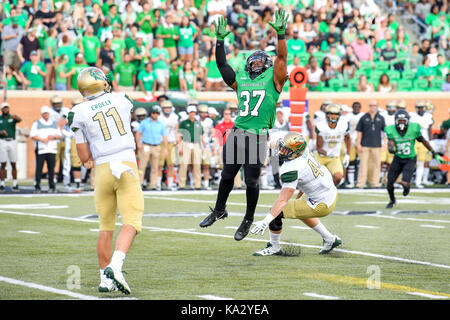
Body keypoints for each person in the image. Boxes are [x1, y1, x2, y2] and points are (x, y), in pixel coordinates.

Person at [199, 10, 289, 241]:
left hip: (258, 135)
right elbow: (221, 64)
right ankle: (219, 209)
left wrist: (281, 35)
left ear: (267, 64)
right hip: (237, 132)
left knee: (251, 181)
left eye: (260, 61)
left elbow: (282, 59)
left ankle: (248, 218)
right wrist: (220, 41)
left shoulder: (274, 78)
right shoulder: (242, 79)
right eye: (253, 61)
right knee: (227, 175)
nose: (256, 64)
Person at [68, 67, 144, 294]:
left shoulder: (77, 111)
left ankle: (105, 279)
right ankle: (116, 267)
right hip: (125, 163)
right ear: (101, 82)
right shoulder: (121, 99)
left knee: (105, 227)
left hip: (101, 169)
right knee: (132, 221)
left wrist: (92, 158)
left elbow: (83, 157)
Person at [250, 132, 341, 255]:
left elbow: (283, 200)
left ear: (295, 152)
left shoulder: (292, 168)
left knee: (276, 212)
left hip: (321, 202)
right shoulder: (303, 149)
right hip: (326, 189)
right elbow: (276, 144)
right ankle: (330, 239)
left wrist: (266, 221)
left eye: (286, 150)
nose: (282, 151)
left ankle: (274, 247)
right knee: (299, 210)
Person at [384, 110, 441, 208]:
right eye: (399, 121)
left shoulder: (413, 129)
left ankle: (407, 187)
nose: (401, 123)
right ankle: (392, 200)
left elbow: (423, 141)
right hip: (398, 158)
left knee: (404, 183)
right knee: (389, 183)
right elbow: (390, 144)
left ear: (407, 121)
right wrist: (391, 148)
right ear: (395, 121)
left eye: (403, 121)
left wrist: (433, 152)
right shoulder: (390, 130)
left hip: (410, 159)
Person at [315, 104, 350, 186]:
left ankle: (328, 191)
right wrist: (327, 153)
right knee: (310, 179)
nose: (333, 116)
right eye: (331, 114)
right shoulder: (321, 126)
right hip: (321, 157)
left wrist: (347, 155)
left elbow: (348, 138)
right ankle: (299, 198)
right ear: (327, 115)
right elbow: (319, 147)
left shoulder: (343, 125)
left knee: (338, 177)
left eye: (335, 114)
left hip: (334, 157)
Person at [30, 106, 62, 193]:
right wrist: (42, 139)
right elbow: (32, 135)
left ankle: (52, 186)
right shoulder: (37, 123)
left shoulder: (54, 123)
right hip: (41, 149)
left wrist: (53, 137)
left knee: (51, 169)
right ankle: (37, 186)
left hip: (52, 149)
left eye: (47, 113)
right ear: (42, 114)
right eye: (44, 113)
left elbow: (59, 135)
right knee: (39, 169)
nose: (46, 115)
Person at [135, 105, 168, 191]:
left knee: (155, 167)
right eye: (154, 113)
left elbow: (164, 136)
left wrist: (165, 148)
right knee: (142, 166)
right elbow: (138, 133)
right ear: (151, 113)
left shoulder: (161, 124)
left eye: (157, 113)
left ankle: (153, 185)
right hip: (146, 145)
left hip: (156, 146)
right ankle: (139, 184)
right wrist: (138, 143)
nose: (155, 115)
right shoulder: (145, 122)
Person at [356, 100, 386, 189]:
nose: (372, 107)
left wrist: (385, 143)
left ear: (377, 106)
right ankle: (360, 184)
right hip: (365, 145)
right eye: (371, 105)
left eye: (374, 105)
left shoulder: (381, 118)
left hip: (377, 145)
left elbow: (384, 131)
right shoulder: (363, 117)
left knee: (377, 165)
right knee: (363, 165)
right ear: (369, 106)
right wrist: (358, 144)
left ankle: (375, 183)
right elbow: (359, 132)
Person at [177, 104, 204, 190]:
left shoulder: (198, 123)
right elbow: (179, 135)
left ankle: (197, 185)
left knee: (197, 165)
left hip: (196, 144)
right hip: (186, 143)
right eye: (191, 112)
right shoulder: (184, 123)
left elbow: (201, 135)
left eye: (194, 112)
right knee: (184, 164)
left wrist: (203, 146)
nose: (192, 114)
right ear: (188, 113)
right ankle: (181, 184)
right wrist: (180, 147)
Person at [410, 100, 434, 188]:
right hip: (414, 140)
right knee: (411, 161)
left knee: (421, 162)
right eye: (419, 108)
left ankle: (418, 182)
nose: (421, 110)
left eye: (422, 108)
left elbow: (430, 130)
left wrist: (431, 142)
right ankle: (407, 181)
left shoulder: (428, 116)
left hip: (424, 141)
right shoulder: (412, 116)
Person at [0, 102, 22, 191]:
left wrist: (16, 117)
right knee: (3, 163)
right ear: (1, 109)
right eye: (4, 108)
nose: (6, 110)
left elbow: (20, 119)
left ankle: (15, 183)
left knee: (13, 163)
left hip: (12, 140)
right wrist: (1, 132)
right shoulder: (0, 119)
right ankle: (2, 183)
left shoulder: (12, 117)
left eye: (7, 108)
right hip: (2, 141)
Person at [158, 100, 179, 191]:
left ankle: (170, 184)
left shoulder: (174, 117)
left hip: (171, 142)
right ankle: (157, 184)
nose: (167, 109)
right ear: (162, 109)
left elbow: (176, 129)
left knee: (171, 164)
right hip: (161, 142)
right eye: (165, 108)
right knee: (159, 165)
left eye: (168, 108)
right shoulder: (159, 117)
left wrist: (177, 139)